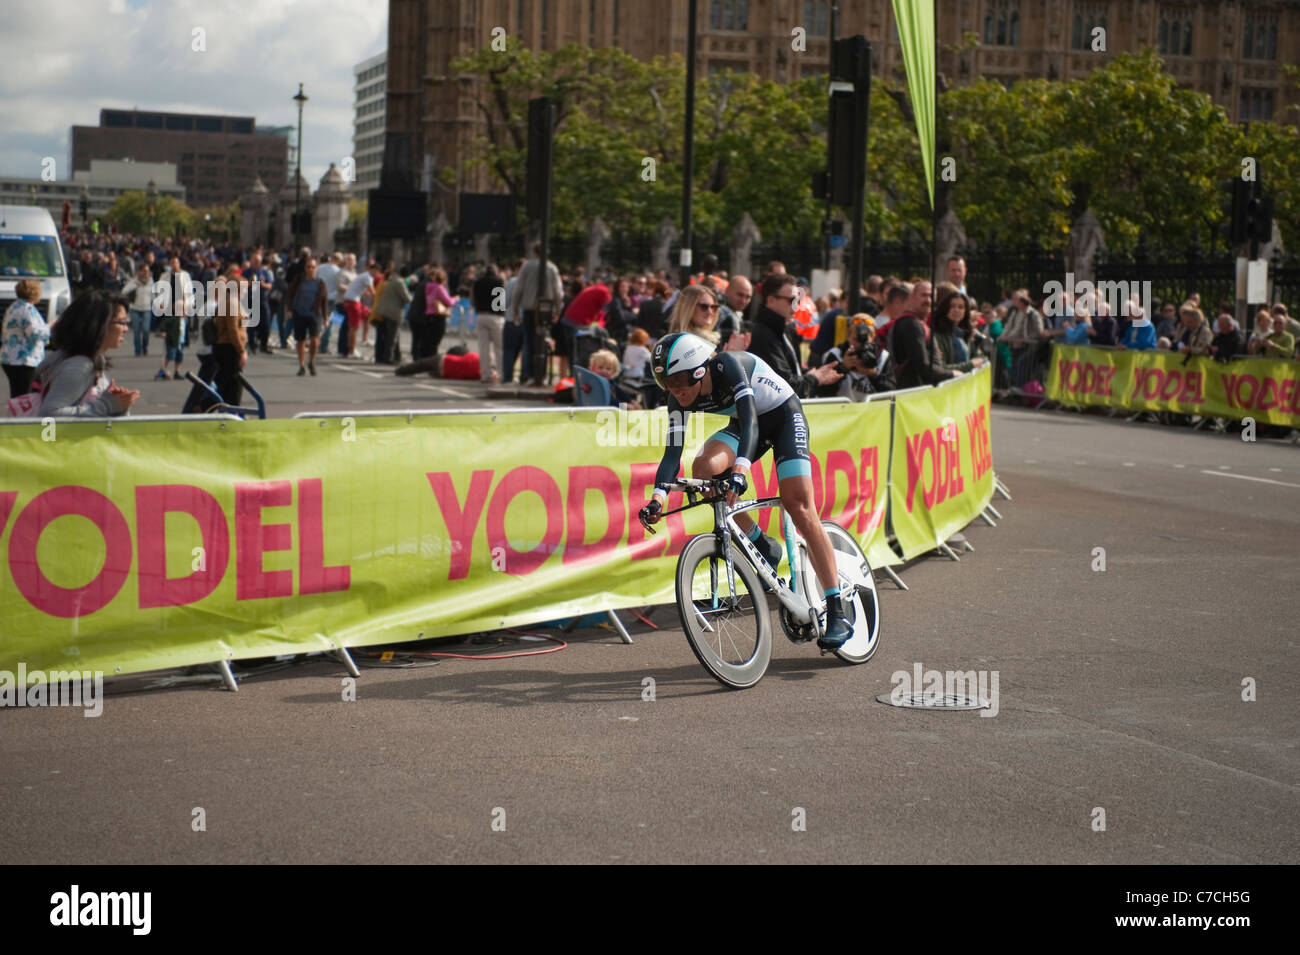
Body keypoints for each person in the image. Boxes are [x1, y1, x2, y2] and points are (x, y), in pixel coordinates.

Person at [637, 332, 855, 650]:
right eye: (666, 383)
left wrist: (740, 470)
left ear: (699, 369)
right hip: (744, 424)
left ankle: (837, 610)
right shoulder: (677, 398)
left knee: (799, 506)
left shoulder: (727, 367)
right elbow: (672, 454)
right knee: (705, 471)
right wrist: (657, 498)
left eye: (680, 380)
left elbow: (752, 420)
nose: (676, 389)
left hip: (781, 417)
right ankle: (759, 542)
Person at [35, 291, 139, 417]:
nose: (126, 329)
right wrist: (107, 405)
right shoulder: (80, 366)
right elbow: (49, 414)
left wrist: (117, 405)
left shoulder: (74, 357)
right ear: (100, 325)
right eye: (121, 322)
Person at [748, 272, 841, 397]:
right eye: (792, 300)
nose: (796, 307)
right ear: (771, 300)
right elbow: (785, 386)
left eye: (798, 301)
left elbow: (792, 373)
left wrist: (814, 374)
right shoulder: (762, 334)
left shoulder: (785, 329)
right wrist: (814, 378)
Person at [509, 243, 565, 386]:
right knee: (543, 341)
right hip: (546, 309)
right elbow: (558, 292)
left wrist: (515, 309)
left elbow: (519, 288)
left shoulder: (527, 266)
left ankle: (528, 374)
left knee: (529, 342)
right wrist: (558, 310)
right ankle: (541, 373)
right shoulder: (552, 268)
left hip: (529, 308)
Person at [2, 278, 51, 398]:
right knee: (25, 397)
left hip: (9, 358)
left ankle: (15, 416)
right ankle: (22, 417)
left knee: (17, 395)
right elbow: (35, 334)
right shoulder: (28, 309)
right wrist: (51, 327)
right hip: (24, 360)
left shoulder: (13, 307)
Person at [211, 267, 248, 406]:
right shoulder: (231, 304)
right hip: (229, 348)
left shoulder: (231, 303)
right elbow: (233, 330)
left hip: (227, 347)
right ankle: (233, 411)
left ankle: (229, 410)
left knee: (227, 383)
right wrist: (242, 351)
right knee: (233, 384)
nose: (245, 291)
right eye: (243, 289)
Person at [288, 256, 328, 375]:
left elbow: (324, 301)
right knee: (300, 340)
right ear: (305, 268)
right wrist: (289, 309)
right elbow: (290, 294)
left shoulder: (320, 283)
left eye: (313, 267)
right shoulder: (299, 280)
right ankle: (301, 365)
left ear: (316, 268)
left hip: (314, 314)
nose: (310, 269)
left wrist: (325, 318)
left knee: (314, 340)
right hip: (299, 313)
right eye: (308, 267)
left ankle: (311, 361)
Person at [155, 256, 193, 380]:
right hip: (169, 308)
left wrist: (189, 306)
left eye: (176, 262)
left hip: (181, 306)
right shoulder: (165, 276)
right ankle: (164, 367)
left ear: (179, 263)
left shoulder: (185, 275)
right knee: (171, 333)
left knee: (181, 332)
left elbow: (189, 292)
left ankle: (177, 370)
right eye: (172, 262)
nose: (174, 264)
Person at [473, 263, 506, 383]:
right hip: (495, 316)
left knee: (483, 347)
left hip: (481, 315)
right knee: (499, 347)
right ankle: (501, 374)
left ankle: (485, 375)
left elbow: (473, 301)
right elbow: (499, 303)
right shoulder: (498, 282)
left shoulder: (477, 283)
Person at [242, 252, 274, 354]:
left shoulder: (264, 272)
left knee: (266, 323)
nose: (256, 263)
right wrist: (250, 283)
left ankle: (263, 344)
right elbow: (241, 284)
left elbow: (270, 285)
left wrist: (263, 284)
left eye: (258, 262)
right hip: (250, 300)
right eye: (254, 261)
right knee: (251, 324)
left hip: (262, 300)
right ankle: (251, 345)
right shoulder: (246, 272)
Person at [121, 263, 154, 356]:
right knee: (136, 331)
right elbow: (123, 291)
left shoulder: (151, 281)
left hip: (147, 308)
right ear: (140, 271)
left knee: (146, 330)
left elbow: (154, 295)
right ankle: (137, 350)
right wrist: (134, 286)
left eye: (148, 271)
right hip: (134, 308)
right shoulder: (134, 281)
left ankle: (145, 347)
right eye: (145, 271)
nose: (146, 273)